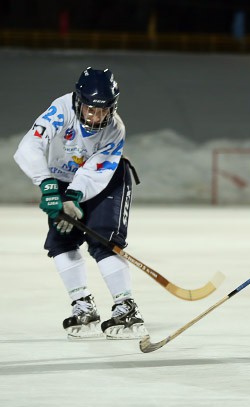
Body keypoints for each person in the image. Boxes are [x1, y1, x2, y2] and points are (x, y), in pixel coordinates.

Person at [14, 67, 146, 340]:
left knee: (105, 241)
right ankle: (83, 305)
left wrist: (73, 196)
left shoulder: (115, 128)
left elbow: (96, 170)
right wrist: (48, 186)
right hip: (61, 179)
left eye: (103, 111)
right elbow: (29, 147)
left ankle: (126, 308)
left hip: (105, 180)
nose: (96, 117)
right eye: (90, 109)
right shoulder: (60, 110)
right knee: (61, 240)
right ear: (78, 100)